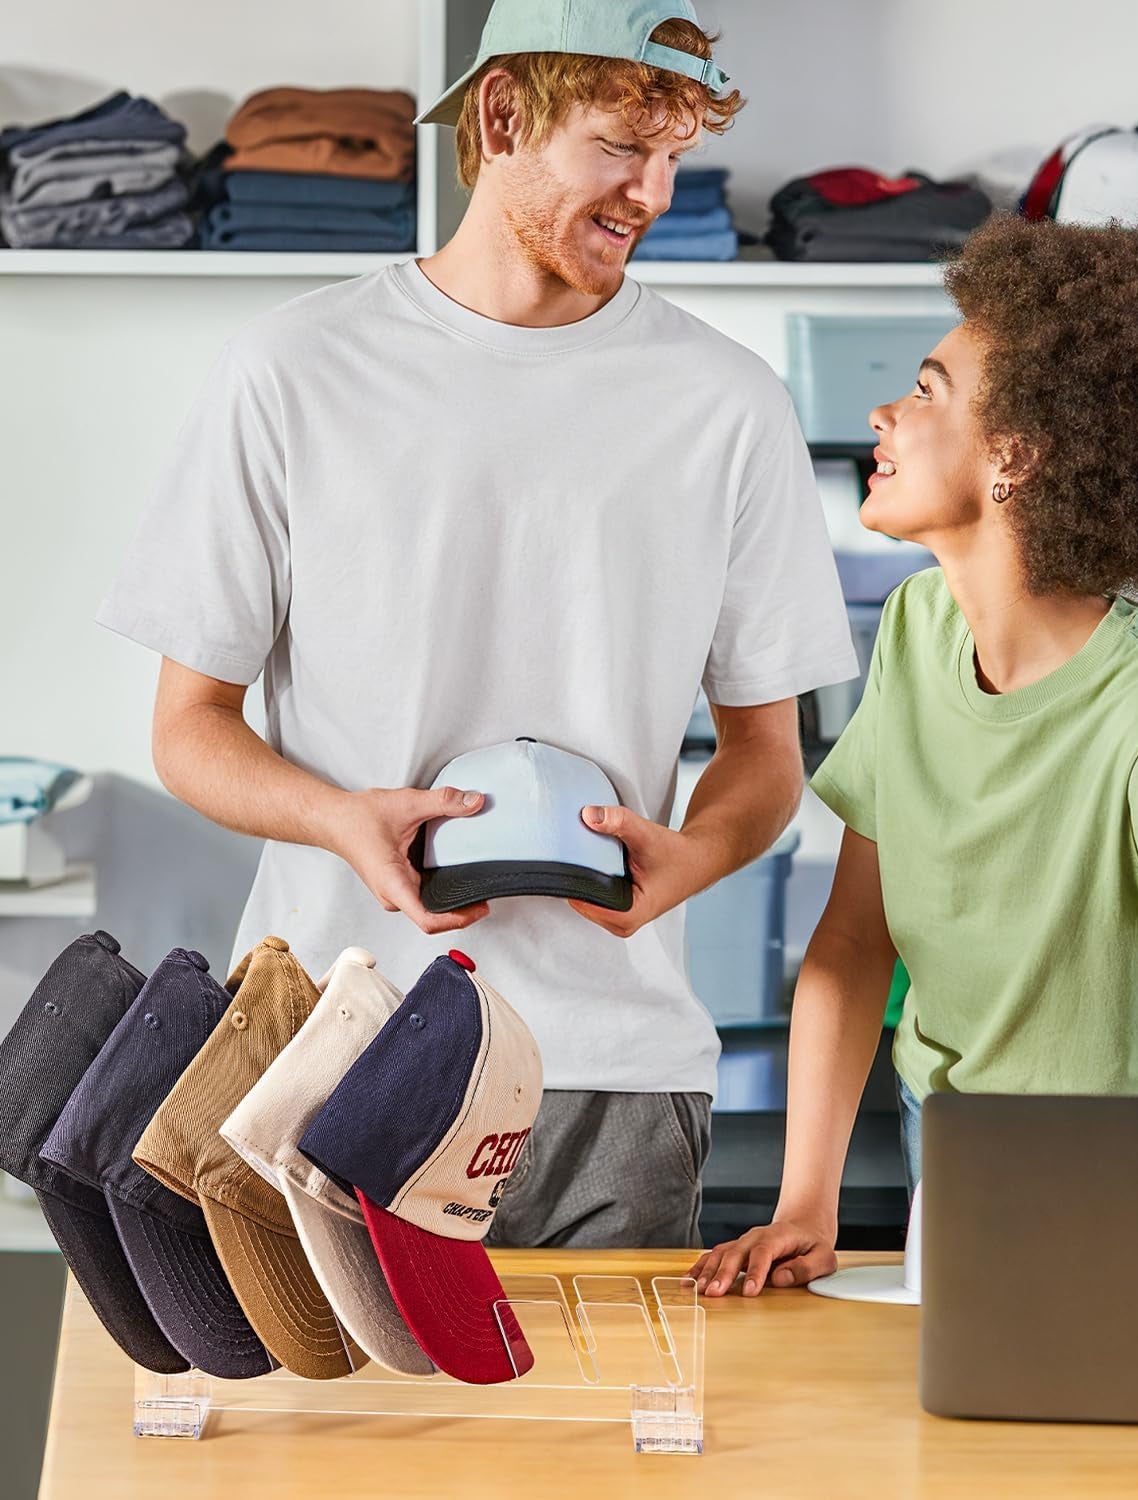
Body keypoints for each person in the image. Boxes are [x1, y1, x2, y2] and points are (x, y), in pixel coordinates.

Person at [96, 0, 857, 1249]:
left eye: (674, 157)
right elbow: (191, 729)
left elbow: (766, 754)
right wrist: (337, 819)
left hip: (614, 1071)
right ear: (502, 116)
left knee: (611, 1395)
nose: (654, 194)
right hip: (336, 1048)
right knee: (326, 1394)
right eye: (623, 147)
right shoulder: (293, 371)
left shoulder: (728, 403)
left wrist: (696, 855)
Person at [692, 214, 1138, 1297]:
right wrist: (804, 1207)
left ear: (1015, 455)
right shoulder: (916, 629)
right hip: (950, 1140)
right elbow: (853, 939)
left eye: (926, 393)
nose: (883, 414)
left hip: (1122, 1166)